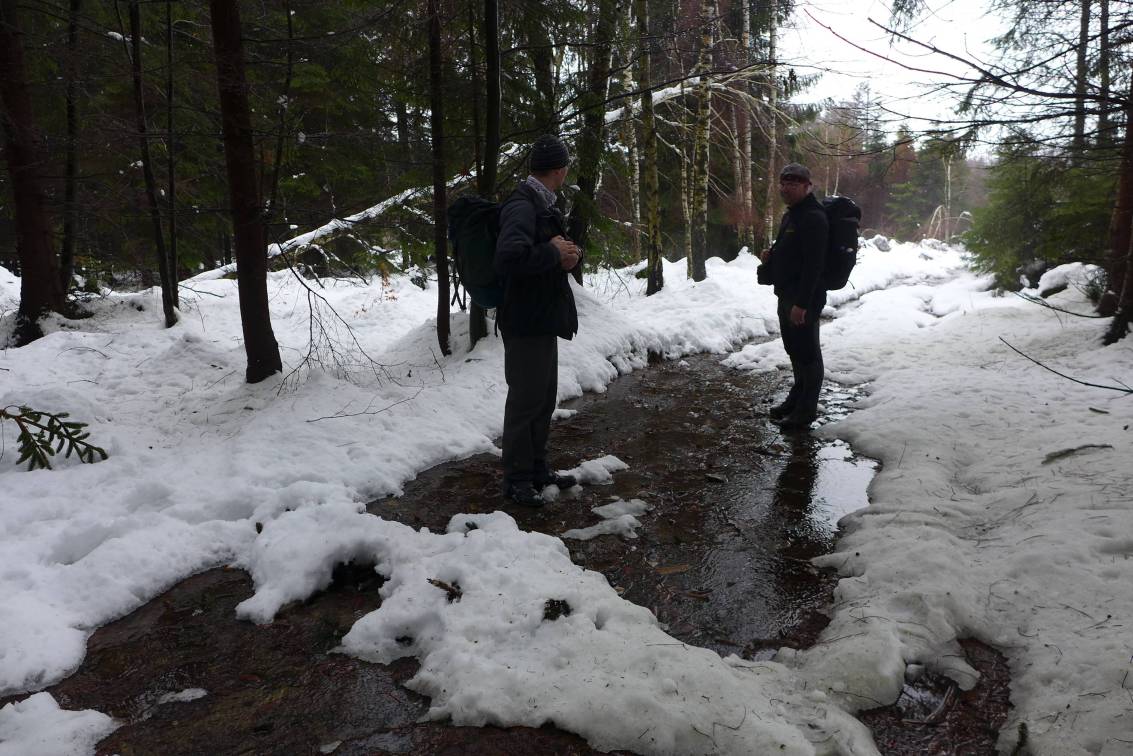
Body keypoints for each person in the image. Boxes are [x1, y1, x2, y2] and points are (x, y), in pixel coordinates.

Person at [493, 134, 582, 506]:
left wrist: (568, 254)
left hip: (541, 321)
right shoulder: (522, 205)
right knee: (525, 403)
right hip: (525, 322)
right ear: (560, 170)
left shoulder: (542, 204)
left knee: (543, 400)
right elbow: (510, 258)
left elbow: (547, 251)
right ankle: (516, 480)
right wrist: (550, 252)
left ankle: (536, 468)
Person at [757, 162, 829, 431]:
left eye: (794, 184)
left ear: (807, 187)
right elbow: (794, 251)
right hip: (787, 294)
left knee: (809, 354)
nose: (786, 188)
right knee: (794, 350)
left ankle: (806, 411)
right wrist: (772, 257)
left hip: (803, 299)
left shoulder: (813, 217)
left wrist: (802, 304)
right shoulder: (793, 214)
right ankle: (795, 400)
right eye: (784, 183)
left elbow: (814, 265)